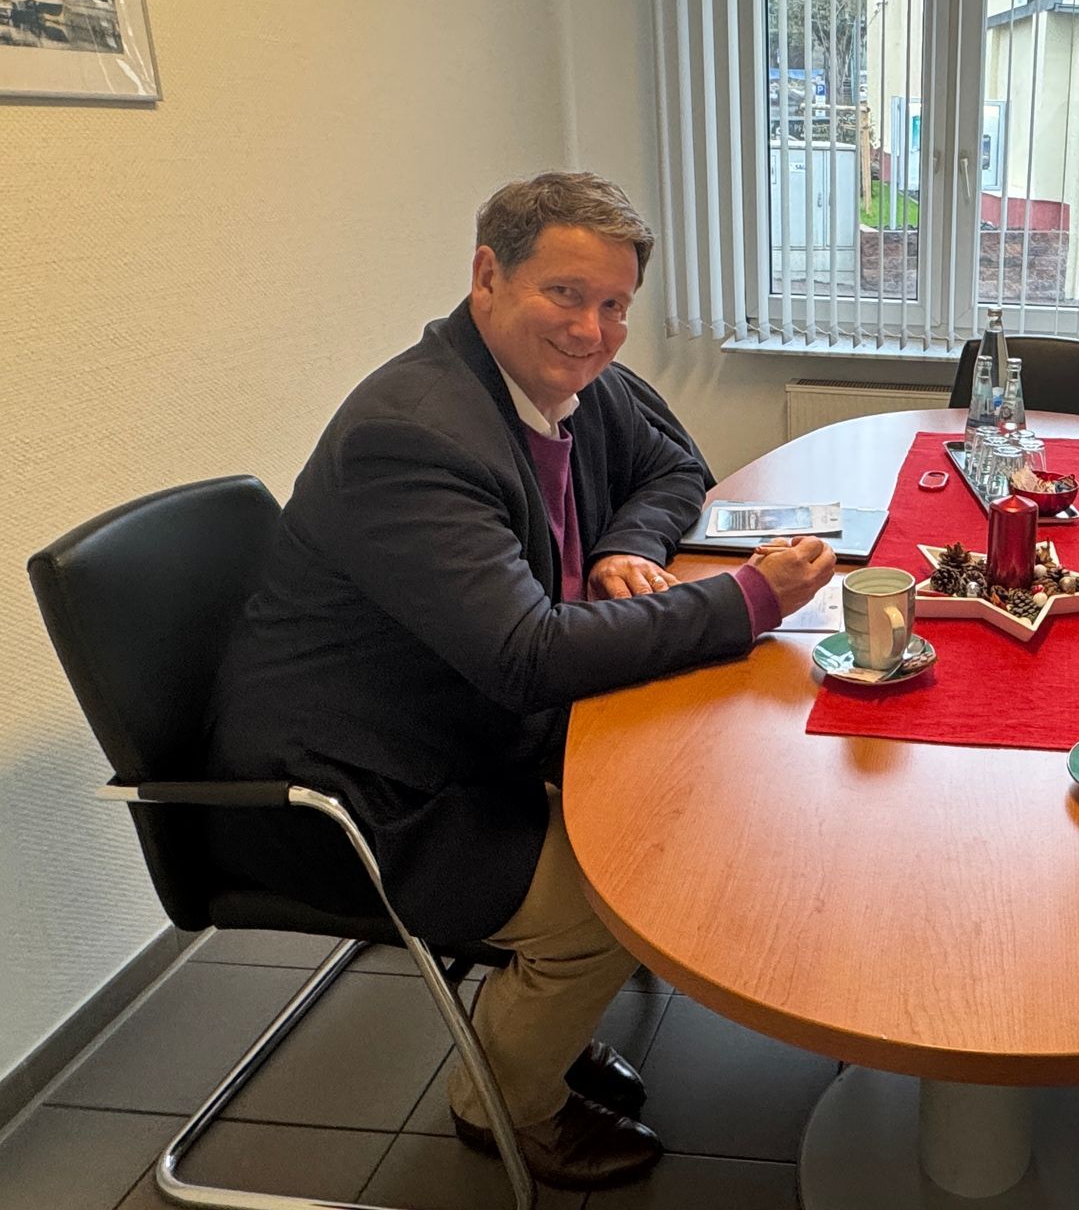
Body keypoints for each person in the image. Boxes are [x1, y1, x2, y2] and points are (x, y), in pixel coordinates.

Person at [206, 172, 835, 1191]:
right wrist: (750, 599)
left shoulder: (573, 385)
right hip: (362, 788)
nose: (593, 330)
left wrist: (625, 548)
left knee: (672, 805)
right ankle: (504, 1104)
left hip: (475, 724)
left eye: (615, 304)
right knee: (611, 903)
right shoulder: (412, 435)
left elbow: (678, 470)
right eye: (565, 294)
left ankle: (540, 1023)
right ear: (487, 276)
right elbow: (527, 656)